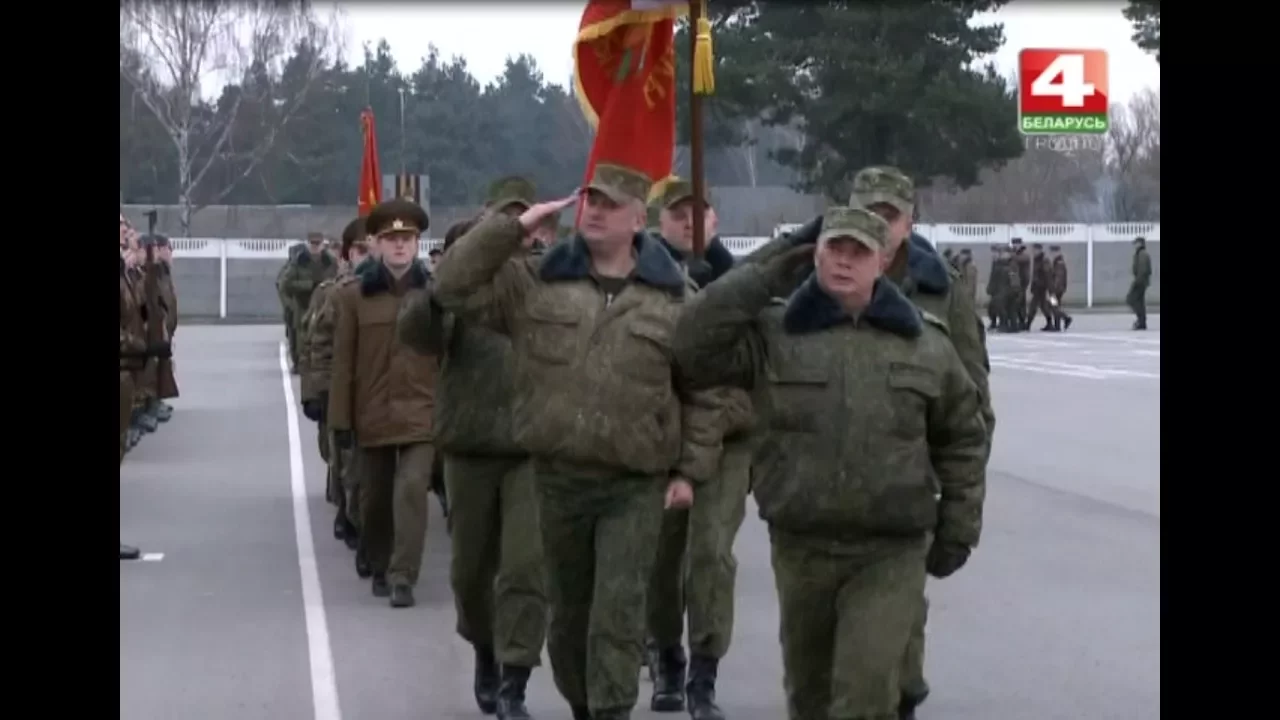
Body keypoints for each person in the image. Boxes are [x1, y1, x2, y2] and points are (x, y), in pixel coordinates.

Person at [671, 206, 988, 720]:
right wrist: (768, 269)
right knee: (810, 697)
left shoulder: (924, 344)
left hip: (890, 549)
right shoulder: (776, 333)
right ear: (814, 256)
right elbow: (691, 343)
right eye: (833, 248)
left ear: (882, 262)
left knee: (864, 694)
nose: (843, 260)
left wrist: (959, 526)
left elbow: (963, 439)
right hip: (803, 546)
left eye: (857, 252)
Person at [432, 162, 723, 720]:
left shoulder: (673, 299)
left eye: (611, 204)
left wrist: (690, 470)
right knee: (568, 620)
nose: (595, 211)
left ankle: (611, 709)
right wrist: (512, 229)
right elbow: (451, 285)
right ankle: (584, 705)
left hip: (633, 485)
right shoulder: (537, 282)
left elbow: (705, 391)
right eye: (591, 200)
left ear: (638, 219)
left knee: (618, 612)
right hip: (557, 479)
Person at [398, 176, 551, 720]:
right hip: (470, 444)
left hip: (531, 448)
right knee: (470, 571)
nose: (521, 230)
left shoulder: (550, 279)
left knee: (525, 569)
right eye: (508, 219)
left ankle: (514, 678)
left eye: (527, 219)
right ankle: (485, 649)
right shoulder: (463, 282)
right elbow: (417, 332)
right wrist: (437, 293)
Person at [643, 177, 752, 719]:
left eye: (699, 212)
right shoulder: (643, 282)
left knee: (710, 555)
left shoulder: (743, 285)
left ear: (715, 220)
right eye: (677, 213)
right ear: (658, 221)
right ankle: (667, 655)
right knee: (661, 560)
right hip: (661, 439)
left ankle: (704, 673)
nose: (689, 221)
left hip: (728, 440)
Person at [328, 199, 442, 608]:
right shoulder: (354, 297)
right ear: (376, 243)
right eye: (391, 238)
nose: (399, 245)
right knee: (374, 498)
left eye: (407, 238)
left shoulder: (435, 294)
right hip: (372, 413)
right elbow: (343, 364)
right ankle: (379, 561)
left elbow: (449, 357)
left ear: (417, 244)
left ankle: (403, 575)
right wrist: (340, 422)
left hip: (421, 413)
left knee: (411, 490)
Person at [302, 217, 372, 548]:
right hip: (342, 391)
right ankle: (348, 510)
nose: (369, 256)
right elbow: (317, 346)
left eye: (373, 248)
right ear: (348, 255)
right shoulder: (332, 294)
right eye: (361, 250)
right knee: (343, 460)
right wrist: (316, 392)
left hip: (381, 394)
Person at [280, 232, 338, 372]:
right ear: (307, 244)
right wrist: (308, 285)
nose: (315, 247)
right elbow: (285, 284)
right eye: (312, 243)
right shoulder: (299, 261)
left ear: (322, 245)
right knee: (302, 339)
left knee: (325, 336)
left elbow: (338, 280)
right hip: (303, 305)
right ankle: (302, 364)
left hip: (325, 305)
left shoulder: (330, 262)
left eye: (318, 244)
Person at [1128, 236, 1152, 330]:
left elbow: (1143, 269)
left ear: (1140, 244)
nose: (1135, 245)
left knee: (1131, 299)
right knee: (1139, 302)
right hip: (1141, 281)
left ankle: (1141, 320)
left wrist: (1138, 281)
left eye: (1136, 243)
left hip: (1140, 281)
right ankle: (1142, 321)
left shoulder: (1142, 254)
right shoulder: (1140, 254)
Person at [1048, 245, 1072, 331]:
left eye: (1052, 252)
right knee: (1056, 306)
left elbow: (1059, 277)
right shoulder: (1058, 261)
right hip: (1058, 289)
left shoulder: (1059, 263)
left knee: (1053, 306)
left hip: (1056, 290)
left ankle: (1066, 318)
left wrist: (1053, 289)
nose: (1051, 254)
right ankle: (1057, 326)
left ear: (1056, 252)